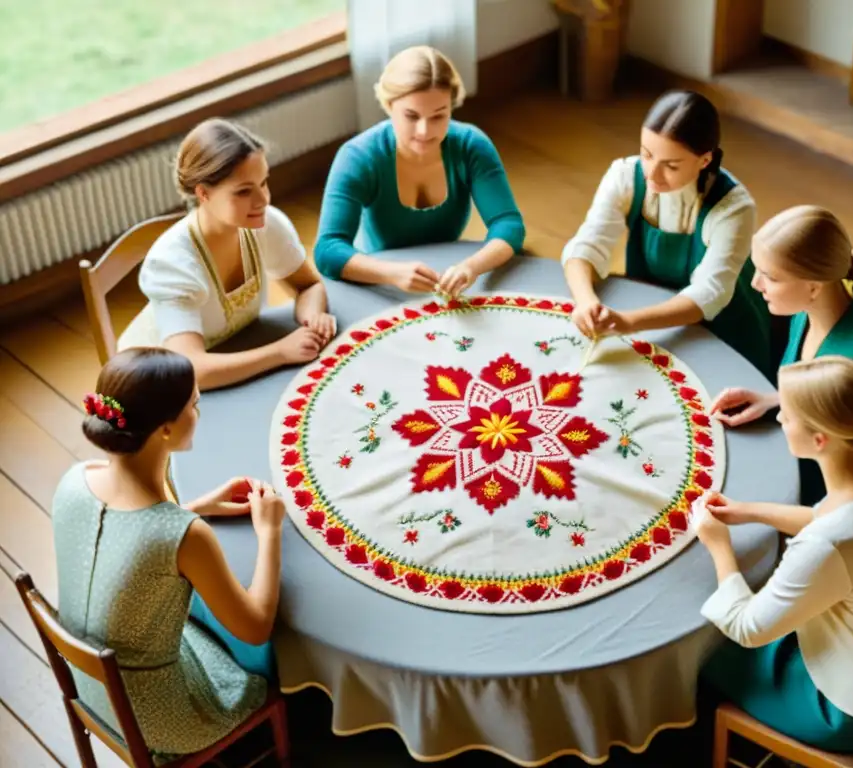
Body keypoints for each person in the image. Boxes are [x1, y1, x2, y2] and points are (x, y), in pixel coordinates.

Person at [708, 205, 853, 621]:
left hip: (850, 530)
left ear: (814, 285)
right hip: (816, 465)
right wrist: (776, 401)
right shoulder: (809, 312)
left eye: (770, 275)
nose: (755, 282)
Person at [696, 356, 853, 753]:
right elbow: (825, 517)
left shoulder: (828, 543)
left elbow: (748, 627)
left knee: (703, 657)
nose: (779, 421)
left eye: (787, 417)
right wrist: (749, 511)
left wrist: (718, 544)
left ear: (820, 440)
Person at [51, 348, 285, 760]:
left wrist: (194, 507)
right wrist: (269, 532)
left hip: (89, 681)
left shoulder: (76, 479)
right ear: (163, 429)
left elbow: (131, 536)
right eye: (194, 404)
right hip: (160, 716)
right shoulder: (184, 537)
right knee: (271, 654)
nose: (199, 410)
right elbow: (255, 626)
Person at [560, 90, 773, 380]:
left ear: (705, 160)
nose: (652, 174)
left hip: (723, 329)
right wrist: (586, 302)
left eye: (671, 166)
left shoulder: (732, 208)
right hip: (650, 314)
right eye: (647, 154)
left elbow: (709, 293)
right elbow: (587, 244)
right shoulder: (625, 176)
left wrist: (628, 321)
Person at [118, 118, 336, 390]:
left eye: (263, 182)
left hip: (235, 352)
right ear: (203, 194)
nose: (263, 200)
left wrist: (312, 317)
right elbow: (191, 370)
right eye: (244, 191)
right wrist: (280, 352)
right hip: (156, 383)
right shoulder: (172, 263)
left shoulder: (265, 224)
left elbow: (308, 285)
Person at [313, 45, 526, 297]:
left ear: (452, 107)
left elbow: (508, 224)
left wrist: (471, 267)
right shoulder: (358, 157)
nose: (424, 131)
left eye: (438, 116)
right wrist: (391, 273)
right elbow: (327, 249)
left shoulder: (471, 145)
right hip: (375, 280)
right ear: (389, 105)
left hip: (443, 276)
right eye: (411, 116)